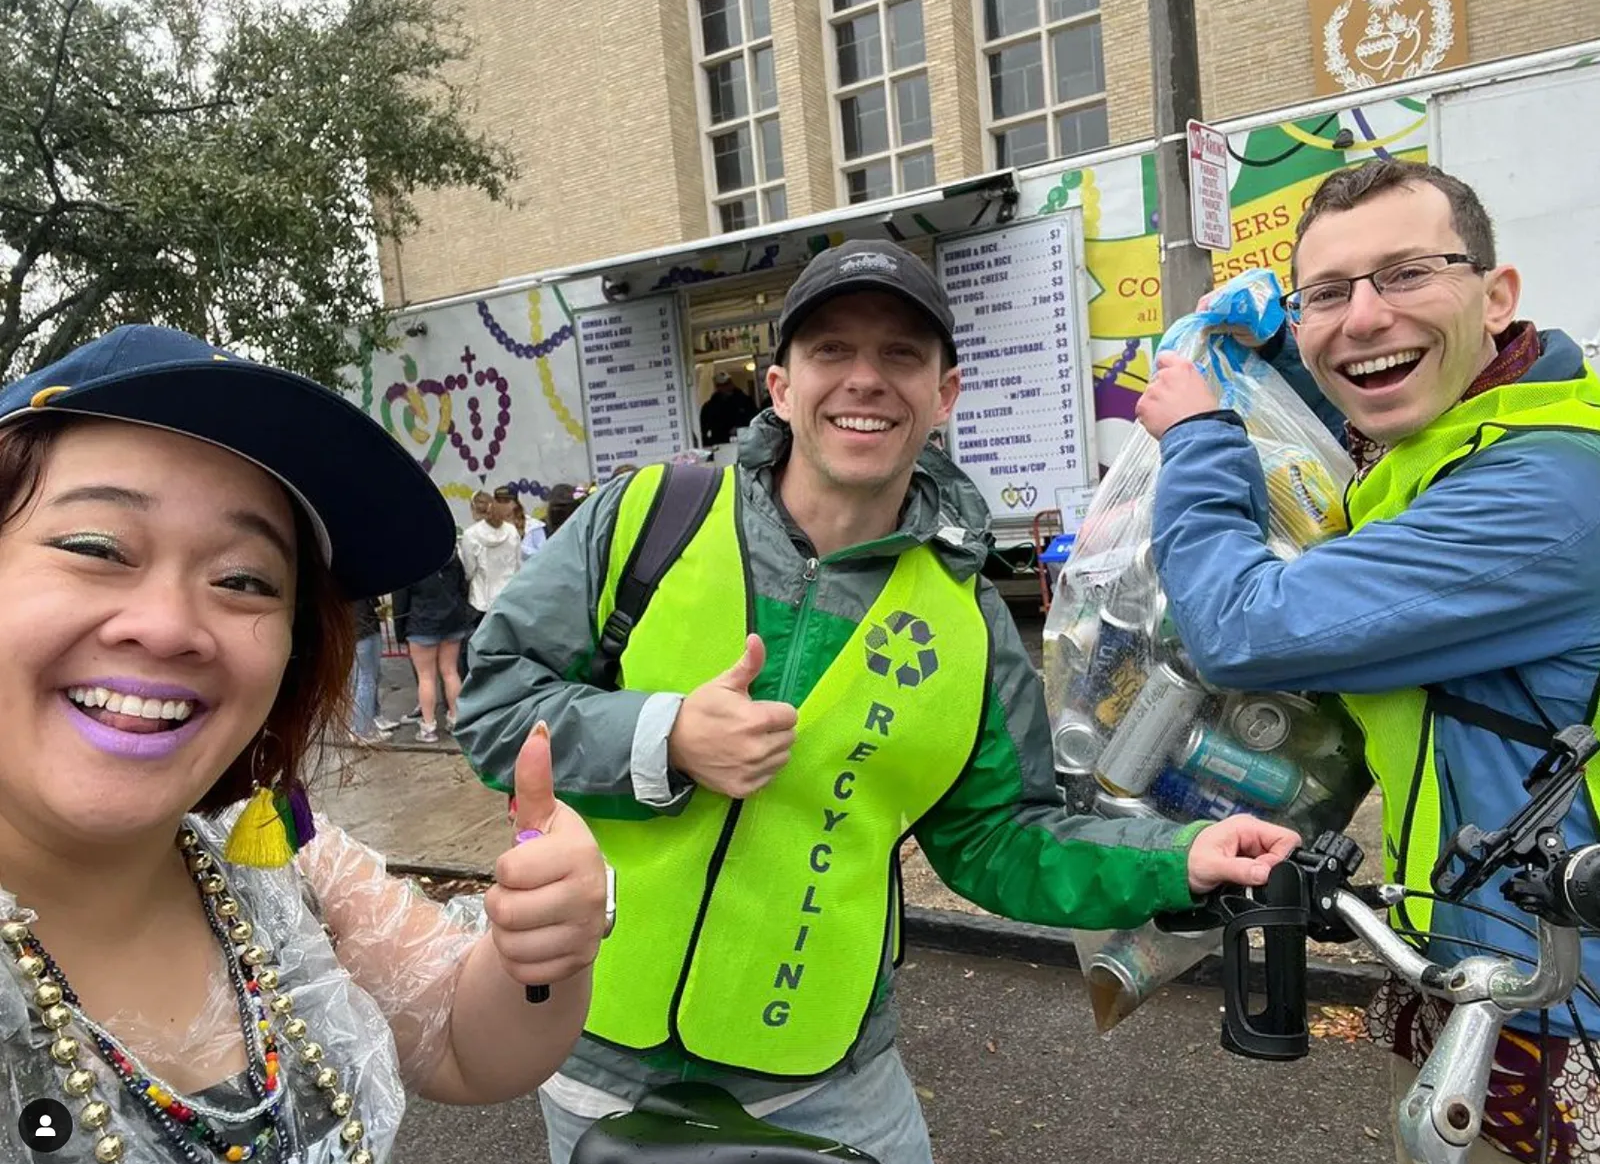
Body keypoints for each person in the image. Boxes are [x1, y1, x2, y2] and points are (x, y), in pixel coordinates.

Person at [456, 238, 1298, 1162]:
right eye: (831, 352)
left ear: (944, 396)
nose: (866, 379)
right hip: (598, 1047)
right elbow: (495, 701)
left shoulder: (969, 621)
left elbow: (999, 838)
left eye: (901, 355)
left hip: (827, 1073)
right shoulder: (652, 515)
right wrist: (666, 734)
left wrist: (1182, 856)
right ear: (780, 386)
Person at [0, 325, 609, 1162]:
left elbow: (468, 1043)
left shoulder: (279, 859)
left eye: (244, 579)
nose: (171, 626)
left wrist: (549, 941)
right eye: (96, 548)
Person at [1133, 160, 1600, 1163]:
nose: (1363, 316)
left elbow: (1240, 626)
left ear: (1497, 293)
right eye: (1327, 294)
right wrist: (1276, 372)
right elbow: (1375, 401)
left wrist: (1207, 435)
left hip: (1568, 1007)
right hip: (1485, 962)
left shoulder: (1545, 491)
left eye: (1404, 275)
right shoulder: (1459, 449)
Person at [391, 552, 476, 742]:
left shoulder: (408, 561)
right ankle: (455, 719)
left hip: (421, 623)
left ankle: (428, 727)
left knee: (426, 677)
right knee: (451, 672)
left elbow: (401, 600)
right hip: (452, 621)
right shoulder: (452, 557)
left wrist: (400, 631)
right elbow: (462, 587)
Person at [459, 486, 521, 621]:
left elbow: (469, 571)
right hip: (509, 596)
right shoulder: (512, 530)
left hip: (481, 599)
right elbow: (518, 565)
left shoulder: (470, 534)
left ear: (473, 509)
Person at [348, 597, 391, 744]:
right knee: (366, 680)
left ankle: (365, 723)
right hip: (361, 630)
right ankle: (363, 729)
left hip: (364, 628)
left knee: (366, 678)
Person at [519, 484, 584, 563]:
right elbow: (527, 561)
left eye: (565, 507)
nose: (559, 511)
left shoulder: (582, 532)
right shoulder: (536, 533)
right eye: (556, 506)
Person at [699, 367, 758, 446]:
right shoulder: (709, 408)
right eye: (722, 385)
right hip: (721, 445)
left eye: (728, 383)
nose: (726, 387)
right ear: (717, 387)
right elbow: (704, 431)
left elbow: (755, 421)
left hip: (745, 443)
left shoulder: (745, 401)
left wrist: (740, 429)